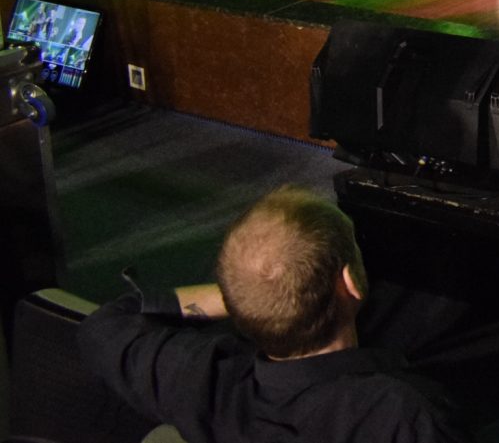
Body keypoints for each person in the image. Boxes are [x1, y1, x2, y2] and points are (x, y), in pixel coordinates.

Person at [78, 184, 463, 442]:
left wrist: (247, 295)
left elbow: (106, 324)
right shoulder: (404, 414)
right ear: (350, 282)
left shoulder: (199, 380)